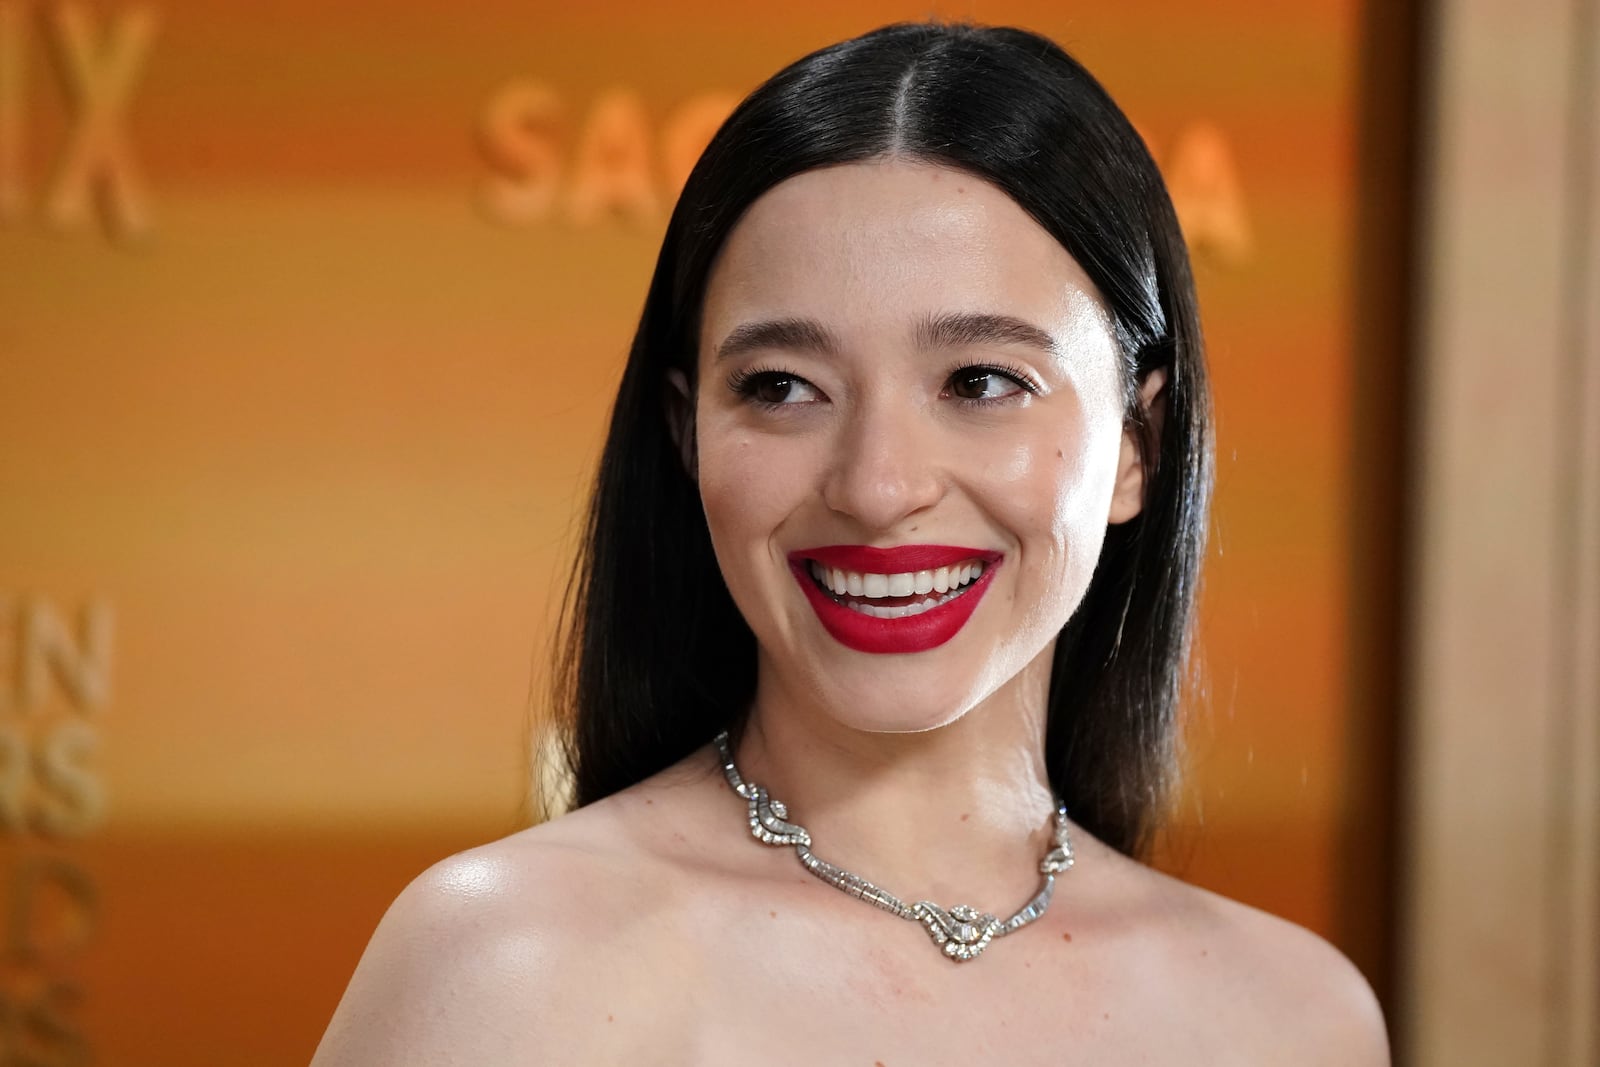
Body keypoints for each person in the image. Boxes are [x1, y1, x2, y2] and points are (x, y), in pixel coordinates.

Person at [312, 21, 1389, 1065]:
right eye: (781, 388)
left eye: (981, 382)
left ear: (1136, 445)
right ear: (687, 432)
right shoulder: (506, 962)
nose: (876, 488)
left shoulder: (1293, 1019)